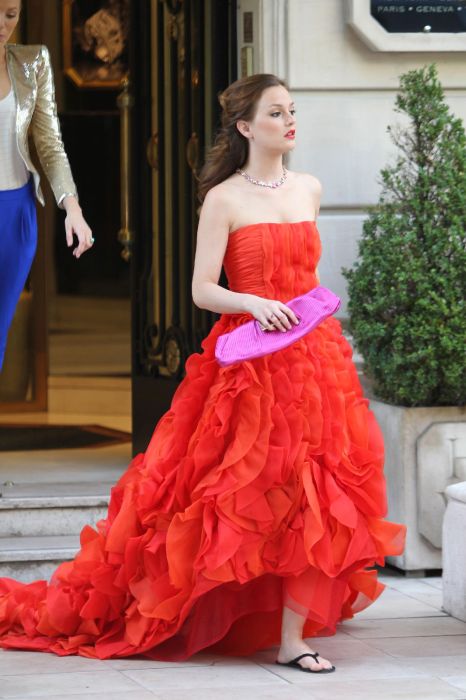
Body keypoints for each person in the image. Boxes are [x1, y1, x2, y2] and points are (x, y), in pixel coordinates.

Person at [0, 73, 406, 673]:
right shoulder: (224, 199)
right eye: (276, 113)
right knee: (237, 494)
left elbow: (309, 278)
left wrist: (314, 316)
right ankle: (195, 606)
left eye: (292, 110)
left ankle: (295, 638)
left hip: (314, 361)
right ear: (246, 127)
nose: (290, 121)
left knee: (314, 492)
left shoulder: (311, 188)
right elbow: (201, 289)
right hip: (248, 364)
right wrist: (253, 303)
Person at [0, 0, 93, 370]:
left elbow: (49, 143)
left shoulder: (32, 62)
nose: (3, 23)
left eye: (11, 14)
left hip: (16, 215)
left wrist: (73, 208)